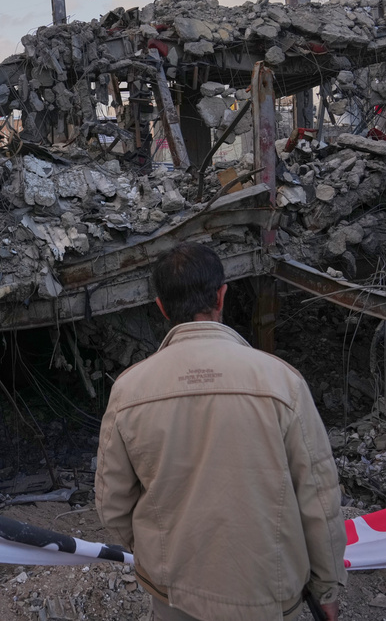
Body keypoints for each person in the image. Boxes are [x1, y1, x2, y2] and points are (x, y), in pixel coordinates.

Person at [95, 242, 347, 621]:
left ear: (161, 307)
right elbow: (319, 497)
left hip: (174, 592)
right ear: (221, 295)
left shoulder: (129, 391)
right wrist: (326, 586)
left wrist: (159, 548)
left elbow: (112, 505)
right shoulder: (282, 383)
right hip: (268, 594)